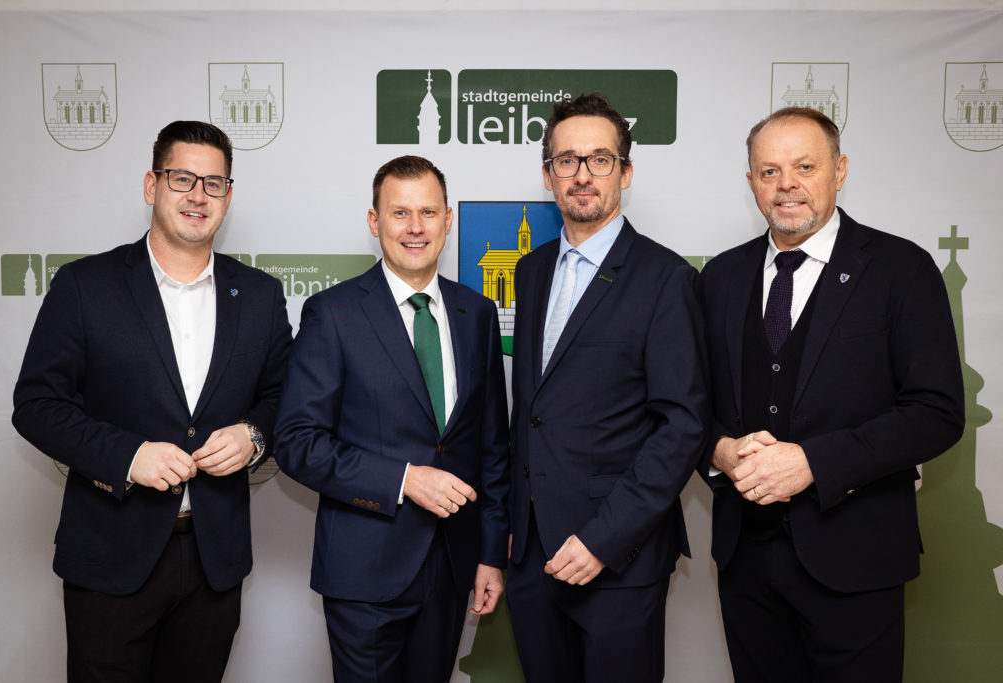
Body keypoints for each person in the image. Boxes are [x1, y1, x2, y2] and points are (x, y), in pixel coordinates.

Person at [12, 120, 293, 682]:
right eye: (182, 178)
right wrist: (127, 455)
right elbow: (37, 404)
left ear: (228, 196)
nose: (198, 195)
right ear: (152, 185)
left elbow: (283, 397)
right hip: (110, 557)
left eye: (213, 183)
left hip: (214, 563)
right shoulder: (84, 285)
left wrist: (253, 436)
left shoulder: (260, 295)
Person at [700, 106, 965, 682]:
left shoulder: (902, 269)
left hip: (857, 558)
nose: (786, 184)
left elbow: (937, 412)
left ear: (839, 170)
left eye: (805, 167)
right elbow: (692, 409)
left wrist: (813, 463)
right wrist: (719, 451)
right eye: (769, 171)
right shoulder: (719, 278)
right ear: (751, 181)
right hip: (745, 561)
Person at [273, 155, 510, 683]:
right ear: (374, 221)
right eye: (400, 213)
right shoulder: (333, 314)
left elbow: (493, 445)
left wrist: (491, 554)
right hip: (364, 571)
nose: (415, 227)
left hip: (453, 566)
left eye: (428, 212)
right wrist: (404, 480)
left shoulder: (476, 313)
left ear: (448, 220)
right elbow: (296, 442)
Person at [506, 92, 709, 682]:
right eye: (566, 160)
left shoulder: (667, 278)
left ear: (626, 172)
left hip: (619, 558)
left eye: (599, 159)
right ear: (548, 175)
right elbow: (534, 411)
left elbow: (682, 426)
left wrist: (603, 539)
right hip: (532, 554)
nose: (582, 175)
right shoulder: (531, 269)